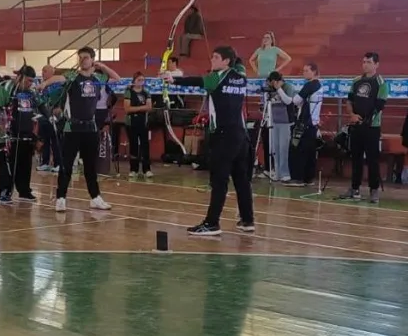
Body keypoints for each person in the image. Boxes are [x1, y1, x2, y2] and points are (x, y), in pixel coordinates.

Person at [163, 46, 254, 236]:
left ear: (226, 61)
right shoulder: (241, 76)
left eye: (216, 57)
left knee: (219, 180)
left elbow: (197, 81)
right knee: (241, 179)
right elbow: (239, 64)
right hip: (241, 135)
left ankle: (212, 223)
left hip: (223, 135)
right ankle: (247, 220)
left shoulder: (217, 77)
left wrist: (173, 79)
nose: (212, 60)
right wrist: (233, 57)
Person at [40, 47, 120, 212]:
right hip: (72, 128)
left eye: (86, 57)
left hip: (90, 127)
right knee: (66, 165)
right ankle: (61, 198)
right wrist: (44, 83)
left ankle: (95, 198)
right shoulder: (72, 76)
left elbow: (117, 78)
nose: (82, 60)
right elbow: (57, 78)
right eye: (80, 57)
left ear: (92, 60)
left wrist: (102, 66)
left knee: (90, 166)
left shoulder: (98, 78)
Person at [338, 52, 389, 203]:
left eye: (368, 62)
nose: (365, 65)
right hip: (356, 126)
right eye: (364, 62)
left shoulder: (381, 83)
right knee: (356, 158)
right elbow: (349, 101)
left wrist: (366, 120)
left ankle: (374, 190)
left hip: (372, 127)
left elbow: (379, 105)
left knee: (372, 159)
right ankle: (355, 189)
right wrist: (352, 115)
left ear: (376, 64)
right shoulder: (356, 81)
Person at [0, 64, 40, 205]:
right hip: (9, 135)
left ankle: (24, 191)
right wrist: (4, 125)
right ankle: (4, 192)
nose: (30, 84)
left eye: (32, 81)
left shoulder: (30, 94)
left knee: (25, 164)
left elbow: (36, 113)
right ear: (20, 77)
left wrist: (35, 133)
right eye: (28, 80)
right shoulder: (5, 87)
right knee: (7, 165)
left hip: (26, 134)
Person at [276, 63, 323, 187]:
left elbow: (294, 101)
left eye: (307, 70)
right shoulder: (319, 85)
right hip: (313, 124)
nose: (304, 73)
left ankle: (297, 178)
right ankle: (308, 178)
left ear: (314, 72)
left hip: (304, 124)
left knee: (297, 151)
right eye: (303, 70)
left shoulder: (309, 85)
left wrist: (279, 89)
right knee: (310, 153)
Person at [265, 71, 296, 182]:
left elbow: (288, 101)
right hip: (275, 122)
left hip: (286, 122)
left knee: (284, 148)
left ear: (276, 81)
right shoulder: (271, 89)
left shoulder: (288, 87)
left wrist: (279, 89)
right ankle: (277, 172)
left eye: (272, 83)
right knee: (275, 148)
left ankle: (285, 173)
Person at [124, 72, 153, 179]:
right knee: (134, 146)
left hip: (143, 122)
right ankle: (133, 169)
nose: (141, 82)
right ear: (134, 81)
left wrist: (137, 108)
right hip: (131, 123)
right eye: (138, 80)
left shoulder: (146, 92)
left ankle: (147, 169)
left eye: (142, 80)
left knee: (145, 146)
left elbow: (149, 107)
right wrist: (142, 107)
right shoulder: (129, 92)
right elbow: (127, 109)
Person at [37, 64, 63, 173]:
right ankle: (45, 163)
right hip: (43, 117)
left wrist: (60, 108)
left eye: (45, 71)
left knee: (56, 141)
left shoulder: (58, 85)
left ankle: (58, 163)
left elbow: (63, 98)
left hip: (55, 117)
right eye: (42, 71)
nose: (43, 73)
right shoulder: (41, 86)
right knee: (45, 140)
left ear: (52, 73)